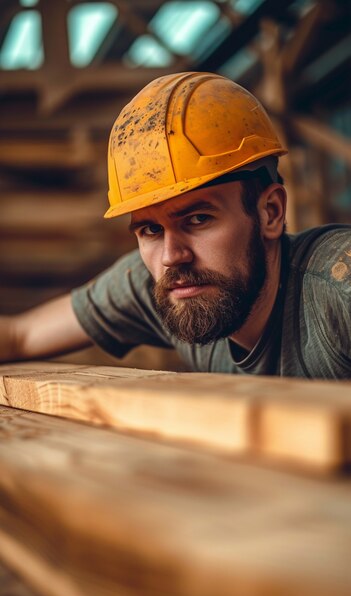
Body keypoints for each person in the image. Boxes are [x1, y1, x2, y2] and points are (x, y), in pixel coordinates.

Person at [1, 72, 350, 378]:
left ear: (270, 213)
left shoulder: (337, 293)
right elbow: (20, 335)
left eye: (198, 219)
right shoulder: (162, 284)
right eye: (150, 230)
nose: (172, 256)